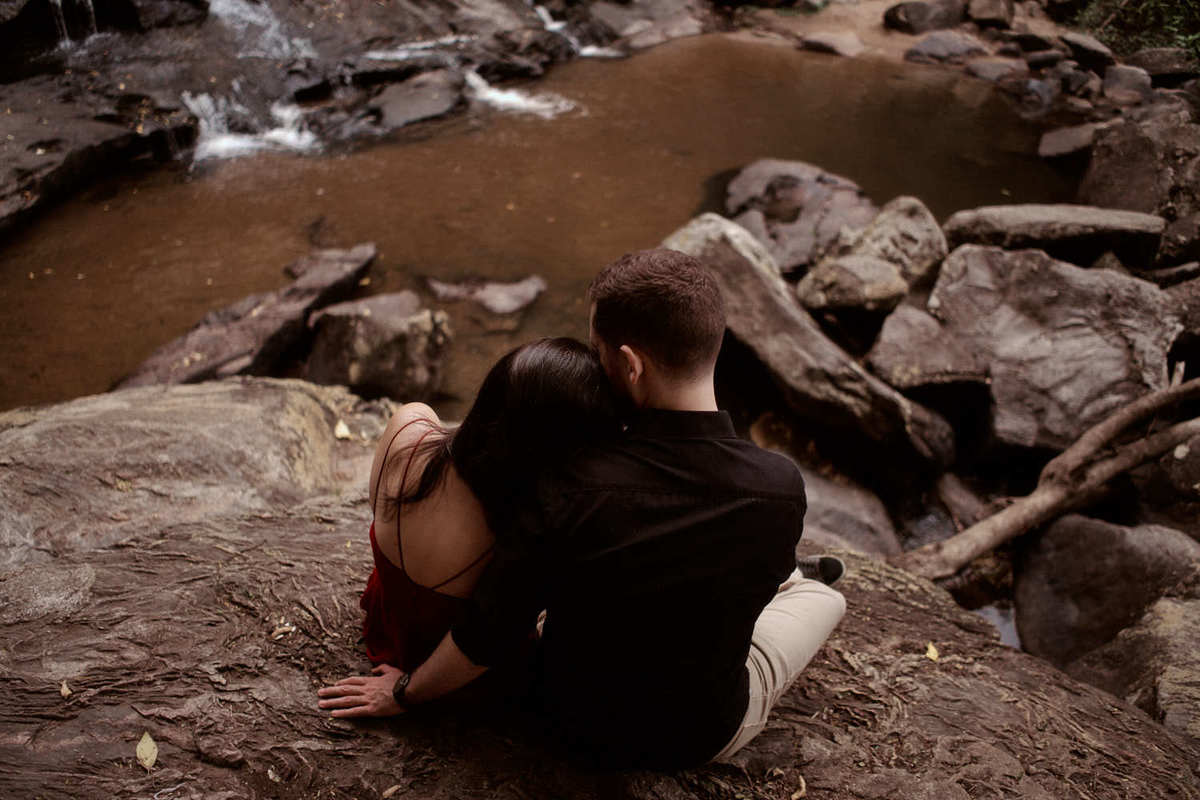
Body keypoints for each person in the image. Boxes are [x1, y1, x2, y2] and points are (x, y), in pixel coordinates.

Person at [319, 249, 846, 769]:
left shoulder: (568, 483)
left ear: (632, 365)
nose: (593, 364)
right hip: (698, 736)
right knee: (824, 602)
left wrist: (405, 694)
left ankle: (790, 578)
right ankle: (801, 581)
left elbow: (488, 631)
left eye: (598, 350)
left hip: (567, 721)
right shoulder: (779, 487)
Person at [324, 337, 619, 685]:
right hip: (465, 679)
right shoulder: (533, 533)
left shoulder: (408, 429)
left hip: (386, 634)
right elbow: (495, 634)